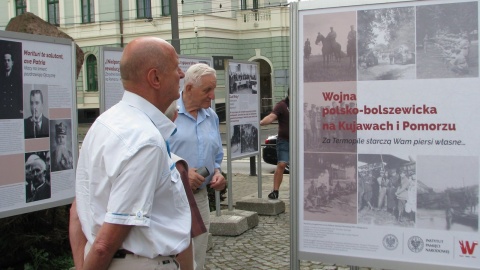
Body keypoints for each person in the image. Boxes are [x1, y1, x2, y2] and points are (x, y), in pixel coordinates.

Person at [70, 37, 191, 270]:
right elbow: (106, 243)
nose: (182, 74)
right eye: (176, 67)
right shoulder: (145, 141)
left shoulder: (104, 123)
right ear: (155, 78)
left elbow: (78, 210)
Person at [169, 63, 226, 270]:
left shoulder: (211, 116)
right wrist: (180, 173)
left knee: (198, 256)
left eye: (214, 89)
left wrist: (218, 173)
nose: (212, 96)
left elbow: (216, 154)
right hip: (172, 198)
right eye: (207, 90)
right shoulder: (169, 113)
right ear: (189, 88)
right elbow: (155, 156)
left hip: (200, 198)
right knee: (174, 255)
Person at [260, 91, 289, 200]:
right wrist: (262, 122)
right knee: (281, 165)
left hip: (299, 141)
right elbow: (272, 116)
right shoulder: (282, 105)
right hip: (284, 140)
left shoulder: (300, 104)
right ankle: (275, 191)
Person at [0, 51, 23, 119]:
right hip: (3, 112)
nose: (6, 62)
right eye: (5, 60)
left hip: (14, 112)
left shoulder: (17, 77)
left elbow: (20, 94)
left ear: (12, 62)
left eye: (8, 60)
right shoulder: (1, 76)